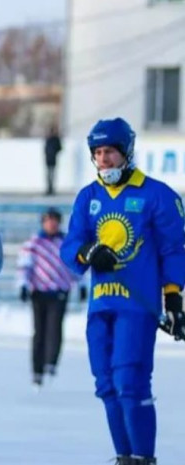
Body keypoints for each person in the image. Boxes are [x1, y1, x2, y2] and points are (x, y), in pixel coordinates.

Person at [60, 117, 185, 465]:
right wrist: (88, 253)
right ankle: (124, 457)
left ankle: (144, 457)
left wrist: (173, 297)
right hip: (101, 306)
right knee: (106, 385)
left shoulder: (156, 195)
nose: (104, 159)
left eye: (110, 152)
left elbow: (174, 249)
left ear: (126, 152)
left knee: (130, 382)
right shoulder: (89, 197)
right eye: (98, 153)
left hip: (137, 306)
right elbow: (71, 247)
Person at [17, 207, 87, 388]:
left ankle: (51, 362)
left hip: (59, 291)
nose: (52, 224)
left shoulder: (65, 243)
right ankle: (37, 370)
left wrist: (81, 285)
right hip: (39, 291)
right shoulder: (34, 243)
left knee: (55, 328)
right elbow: (25, 265)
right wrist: (23, 285)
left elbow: (75, 266)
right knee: (39, 331)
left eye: (55, 221)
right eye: (48, 221)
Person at [44, 125, 62, 196]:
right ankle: (49, 189)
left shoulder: (56, 139)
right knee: (49, 175)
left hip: (53, 159)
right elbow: (46, 149)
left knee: (52, 175)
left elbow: (59, 148)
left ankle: (51, 189)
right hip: (48, 159)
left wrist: (54, 152)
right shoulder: (48, 139)